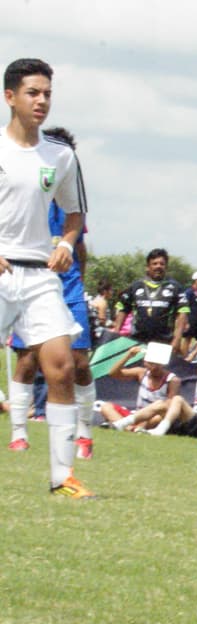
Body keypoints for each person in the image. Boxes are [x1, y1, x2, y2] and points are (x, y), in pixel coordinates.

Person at [0, 58, 91, 497]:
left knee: (60, 368)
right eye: (33, 92)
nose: (41, 101)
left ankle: (63, 477)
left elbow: (75, 213)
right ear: (9, 97)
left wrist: (66, 244)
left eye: (47, 94)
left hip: (38, 277)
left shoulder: (61, 155)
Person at [7, 126, 96, 460]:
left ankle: (84, 433)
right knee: (27, 358)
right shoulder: (26, 192)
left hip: (68, 286)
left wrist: (77, 277)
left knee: (78, 361)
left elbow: (81, 245)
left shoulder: (70, 200)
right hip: (26, 280)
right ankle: (19, 433)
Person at [113, 247, 188, 348]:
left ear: (166, 267)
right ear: (148, 267)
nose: (158, 266)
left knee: (157, 364)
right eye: (155, 263)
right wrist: (116, 333)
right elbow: (123, 309)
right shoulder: (136, 286)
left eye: (162, 264)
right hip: (137, 341)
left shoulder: (176, 288)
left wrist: (177, 340)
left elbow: (182, 314)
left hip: (164, 342)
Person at [97, 342, 180, 431]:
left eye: (155, 364)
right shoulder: (141, 372)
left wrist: (147, 416)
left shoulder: (172, 380)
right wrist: (128, 355)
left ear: (162, 364)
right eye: (150, 363)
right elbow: (113, 373)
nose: (152, 367)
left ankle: (125, 426)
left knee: (159, 417)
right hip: (135, 415)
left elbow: (168, 406)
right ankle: (129, 428)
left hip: (153, 417)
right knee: (106, 407)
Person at [89, 280, 112, 344]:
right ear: (105, 291)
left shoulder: (95, 299)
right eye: (110, 290)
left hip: (94, 332)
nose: (112, 292)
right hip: (100, 333)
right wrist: (114, 324)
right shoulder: (102, 302)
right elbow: (102, 321)